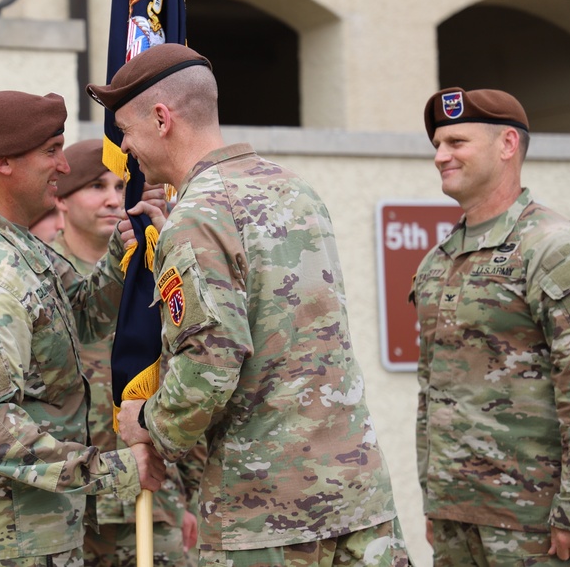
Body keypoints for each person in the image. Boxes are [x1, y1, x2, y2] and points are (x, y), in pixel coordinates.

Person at [90, 44, 408, 566]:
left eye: (126, 130)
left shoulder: (197, 219)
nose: (126, 147)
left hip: (266, 515)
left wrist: (145, 422)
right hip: (357, 497)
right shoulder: (295, 189)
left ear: (162, 118)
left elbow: (210, 369)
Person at [0, 90, 167, 566]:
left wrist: (121, 253)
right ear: (4, 162)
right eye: (51, 151)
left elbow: (83, 316)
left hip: (27, 529)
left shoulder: (15, 246)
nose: (65, 167)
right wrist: (114, 472)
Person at [412, 87, 570, 565]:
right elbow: (432, 387)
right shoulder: (437, 261)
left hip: (538, 520)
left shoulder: (554, 249)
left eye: (456, 142)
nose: (440, 156)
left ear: (507, 144)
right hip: (457, 516)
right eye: (437, 144)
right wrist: (435, 497)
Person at [43, 138, 202, 567]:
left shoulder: (155, 267)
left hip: (155, 498)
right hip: (77, 503)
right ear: (60, 199)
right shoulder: (45, 280)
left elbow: (187, 371)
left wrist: (193, 494)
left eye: (120, 186)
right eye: (96, 186)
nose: (113, 199)